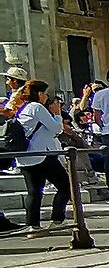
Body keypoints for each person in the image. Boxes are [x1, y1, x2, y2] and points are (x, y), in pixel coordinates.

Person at [12, 81, 72, 233]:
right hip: (43, 155)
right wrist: (57, 113)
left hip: (26, 157)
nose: (46, 97)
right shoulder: (37, 107)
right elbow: (57, 129)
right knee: (66, 186)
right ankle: (57, 219)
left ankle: (33, 225)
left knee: (34, 191)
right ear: (39, 94)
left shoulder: (23, 109)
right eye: (45, 93)